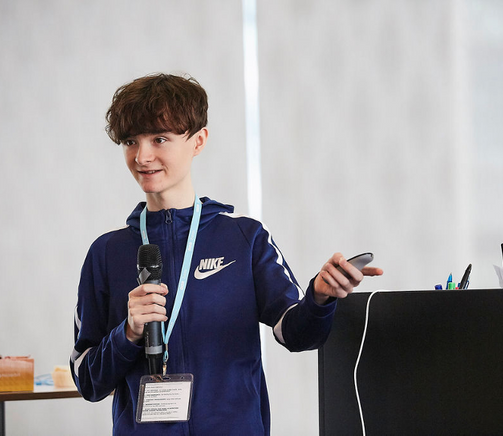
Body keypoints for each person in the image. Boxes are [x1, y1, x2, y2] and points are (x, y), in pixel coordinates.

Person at [69, 73, 383, 435]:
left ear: (198, 140)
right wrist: (128, 332)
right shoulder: (107, 252)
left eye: (159, 138)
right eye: (130, 141)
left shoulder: (243, 238)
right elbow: (87, 381)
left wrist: (320, 297)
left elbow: (296, 334)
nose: (142, 156)